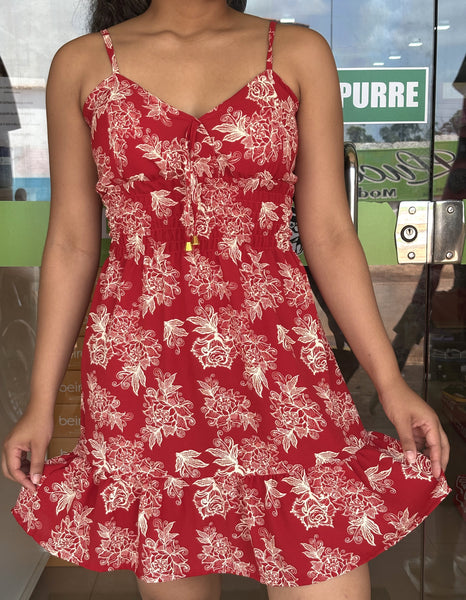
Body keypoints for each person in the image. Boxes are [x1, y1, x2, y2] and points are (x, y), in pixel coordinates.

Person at [2, 1, 450, 599]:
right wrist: (39, 403)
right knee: (174, 559)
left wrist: (390, 383)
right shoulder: (81, 64)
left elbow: (329, 235)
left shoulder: (299, 53)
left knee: (324, 559)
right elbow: (71, 244)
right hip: (147, 367)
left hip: (277, 357)